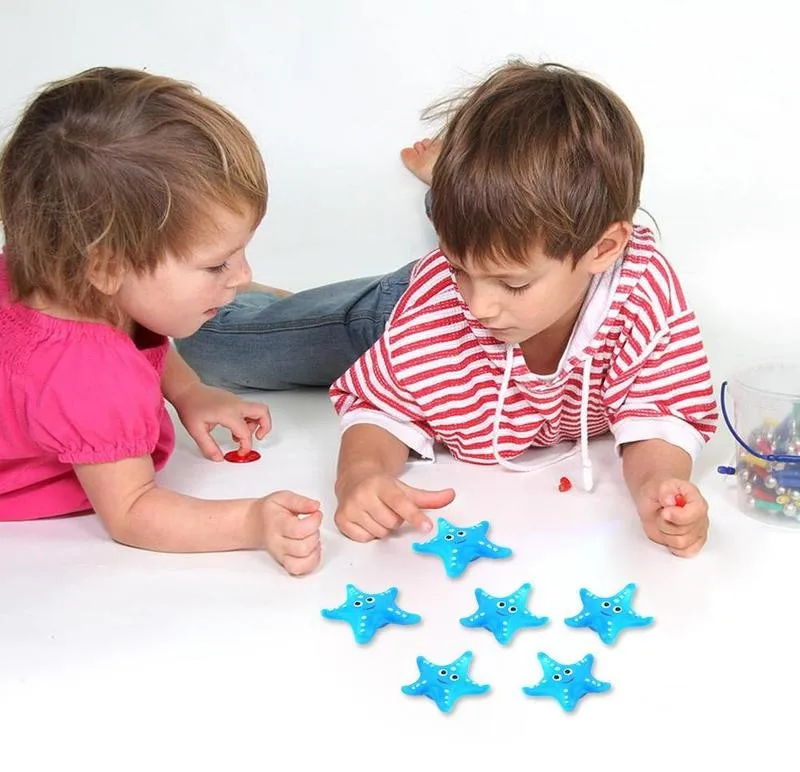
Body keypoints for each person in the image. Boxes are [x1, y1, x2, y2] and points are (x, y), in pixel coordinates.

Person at [329, 60, 718, 557]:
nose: (478, 306)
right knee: (248, 341)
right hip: (390, 303)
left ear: (604, 249)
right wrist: (359, 475)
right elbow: (381, 404)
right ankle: (446, 192)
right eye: (461, 270)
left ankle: (447, 190)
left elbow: (659, 408)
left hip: (483, 247)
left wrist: (658, 485)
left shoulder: (643, 291)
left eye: (513, 284)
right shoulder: (441, 302)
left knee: (495, 242)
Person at [0, 67, 321, 575]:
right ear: (106, 267)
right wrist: (249, 522)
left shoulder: (62, 274)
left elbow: (135, 327)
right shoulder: (92, 378)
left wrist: (188, 390)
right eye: (216, 265)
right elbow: (132, 511)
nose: (243, 275)